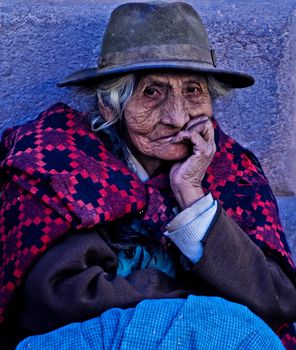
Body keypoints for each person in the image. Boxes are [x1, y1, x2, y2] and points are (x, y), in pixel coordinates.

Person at [0, 2, 295, 349]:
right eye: (152, 92)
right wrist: (204, 298)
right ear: (111, 105)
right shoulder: (62, 161)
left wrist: (191, 193)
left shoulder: (233, 171)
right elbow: (57, 299)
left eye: (193, 91)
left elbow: (277, 302)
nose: (177, 117)